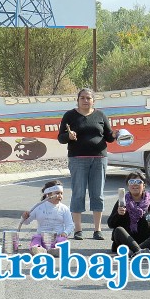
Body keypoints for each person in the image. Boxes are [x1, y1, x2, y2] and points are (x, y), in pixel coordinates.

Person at [58, 88, 117, 241]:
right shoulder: (70, 115)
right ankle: (78, 230)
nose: (85, 100)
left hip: (99, 159)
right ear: (77, 100)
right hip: (78, 159)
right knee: (78, 193)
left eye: (88, 98)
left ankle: (97, 230)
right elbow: (61, 138)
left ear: (93, 101)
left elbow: (109, 137)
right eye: (82, 98)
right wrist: (68, 136)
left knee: (97, 194)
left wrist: (115, 135)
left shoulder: (100, 115)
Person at [107, 171, 150, 257]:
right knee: (118, 230)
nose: (135, 185)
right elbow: (110, 224)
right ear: (128, 185)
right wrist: (118, 214)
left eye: (138, 182)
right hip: (126, 243)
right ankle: (139, 251)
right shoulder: (122, 202)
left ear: (144, 185)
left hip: (146, 243)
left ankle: (136, 251)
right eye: (131, 182)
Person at [21, 180, 74, 257]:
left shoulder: (64, 208)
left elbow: (70, 225)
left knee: (62, 241)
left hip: (57, 237)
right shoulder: (38, 207)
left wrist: (65, 232)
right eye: (57, 193)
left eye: (61, 193)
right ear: (48, 195)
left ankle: (56, 250)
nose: (60, 196)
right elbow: (26, 222)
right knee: (36, 238)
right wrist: (24, 217)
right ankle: (38, 249)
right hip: (42, 236)